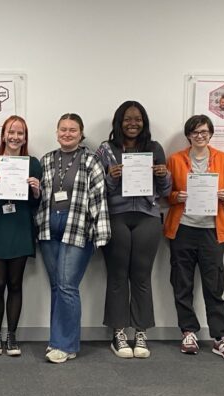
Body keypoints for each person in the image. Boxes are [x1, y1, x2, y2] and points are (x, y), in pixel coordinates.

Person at [96, 101, 171, 359]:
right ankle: (118, 332)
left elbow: (166, 192)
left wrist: (163, 175)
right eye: (127, 119)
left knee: (141, 276)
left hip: (147, 217)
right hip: (116, 216)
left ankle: (140, 332)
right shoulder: (106, 150)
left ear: (144, 122)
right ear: (119, 121)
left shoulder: (154, 148)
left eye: (138, 119)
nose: (132, 123)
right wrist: (111, 177)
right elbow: (96, 191)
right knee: (117, 276)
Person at [36, 113, 111, 364]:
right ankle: (57, 340)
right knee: (57, 285)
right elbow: (41, 196)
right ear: (56, 132)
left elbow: (99, 197)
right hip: (48, 227)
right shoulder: (47, 160)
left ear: (81, 134)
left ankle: (65, 344)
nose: (67, 134)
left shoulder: (91, 160)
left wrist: (101, 234)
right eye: (63, 129)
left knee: (68, 285)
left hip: (77, 226)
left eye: (73, 130)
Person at [165, 114, 224, 361]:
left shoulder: (223, 159)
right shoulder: (175, 160)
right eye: (196, 132)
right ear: (188, 135)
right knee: (182, 284)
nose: (200, 136)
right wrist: (177, 197)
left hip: (211, 230)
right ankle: (188, 332)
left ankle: (221, 337)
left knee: (214, 286)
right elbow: (166, 193)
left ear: (210, 134)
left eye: (205, 132)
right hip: (183, 229)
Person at [0, 115, 42, 356]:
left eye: (20, 133)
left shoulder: (33, 163)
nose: (15, 137)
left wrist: (36, 191)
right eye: (11, 132)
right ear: (3, 135)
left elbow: (37, 204)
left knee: (15, 283)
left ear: (25, 137)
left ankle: (12, 336)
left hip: (20, 226)